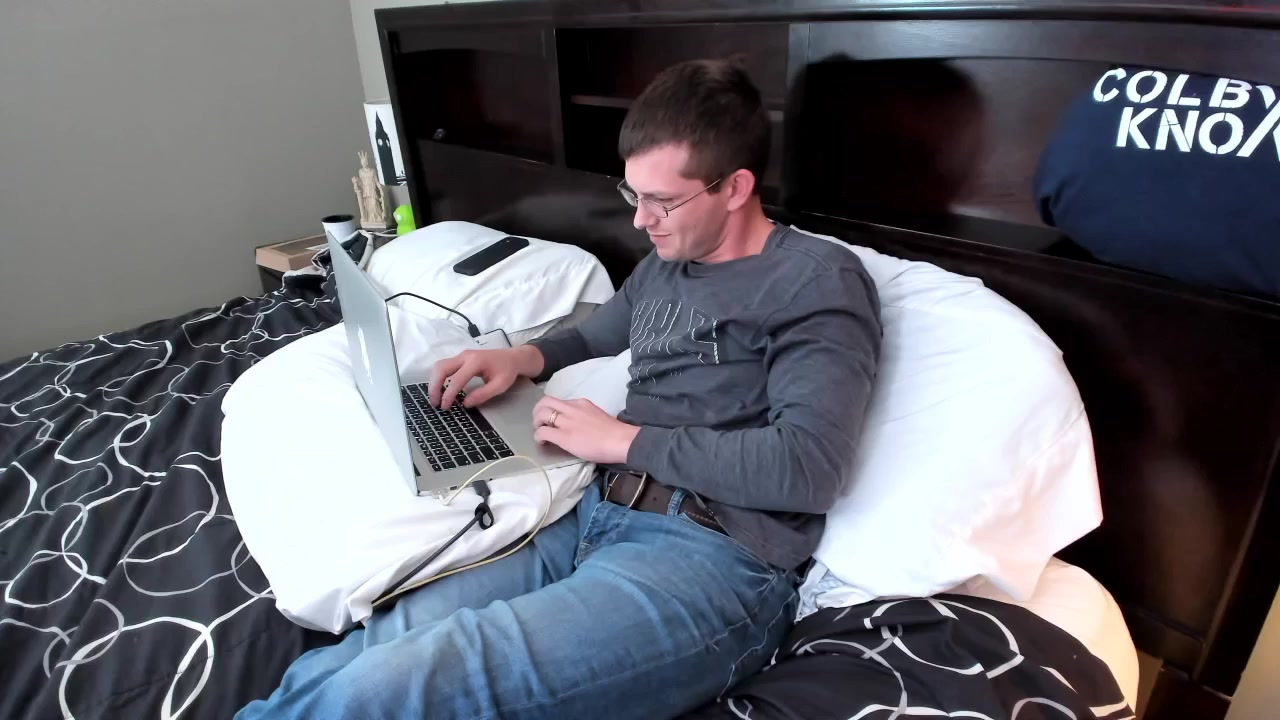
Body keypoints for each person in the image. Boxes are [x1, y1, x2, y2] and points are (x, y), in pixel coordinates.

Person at [238, 59, 882, 720]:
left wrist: (622, 440)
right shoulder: (670, 263)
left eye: (662, 201)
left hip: (714, 560)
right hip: (593, 514)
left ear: (736, 187)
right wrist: (518, 358)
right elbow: (599, 333)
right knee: (365, 653)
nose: (641, 221)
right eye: (633, 195)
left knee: (392, 685)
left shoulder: (814, 281)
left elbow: (809, 470)